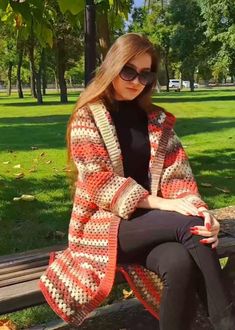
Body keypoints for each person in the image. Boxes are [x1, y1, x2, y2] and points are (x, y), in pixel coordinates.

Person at [39, 33, 235, 329]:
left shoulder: (157, 121)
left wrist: (202, 212)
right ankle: (226, 320)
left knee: (178, 261)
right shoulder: (87, 117)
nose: (137, 81)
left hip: (153, 224)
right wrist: (166, 206)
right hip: (101, 227)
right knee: (187, 225)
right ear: (112, 67)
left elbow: (178, 179)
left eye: (145, 74)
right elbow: (98, 182)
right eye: (128, 71)